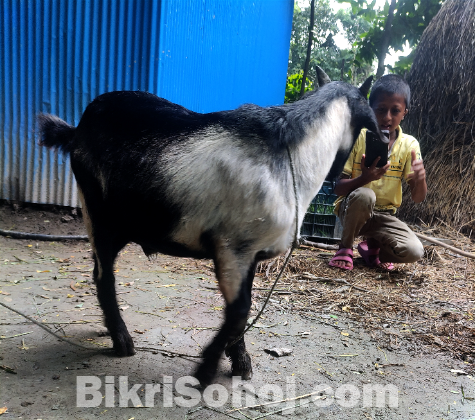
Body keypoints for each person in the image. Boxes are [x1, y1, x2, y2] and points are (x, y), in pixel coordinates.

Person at [328, 74, 427, 271]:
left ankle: (373, 249)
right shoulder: (357, 137)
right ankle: (345, 248)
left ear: (405, 112)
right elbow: (338, 189)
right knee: (366, 194)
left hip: (384, 216)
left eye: (395, 111)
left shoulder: (409, 145)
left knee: (414, 251)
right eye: (381, 110)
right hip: (352, 211)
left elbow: (418, 198)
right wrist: (364, 179)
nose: (387, 117)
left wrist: (420, 180)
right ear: (370, 108)